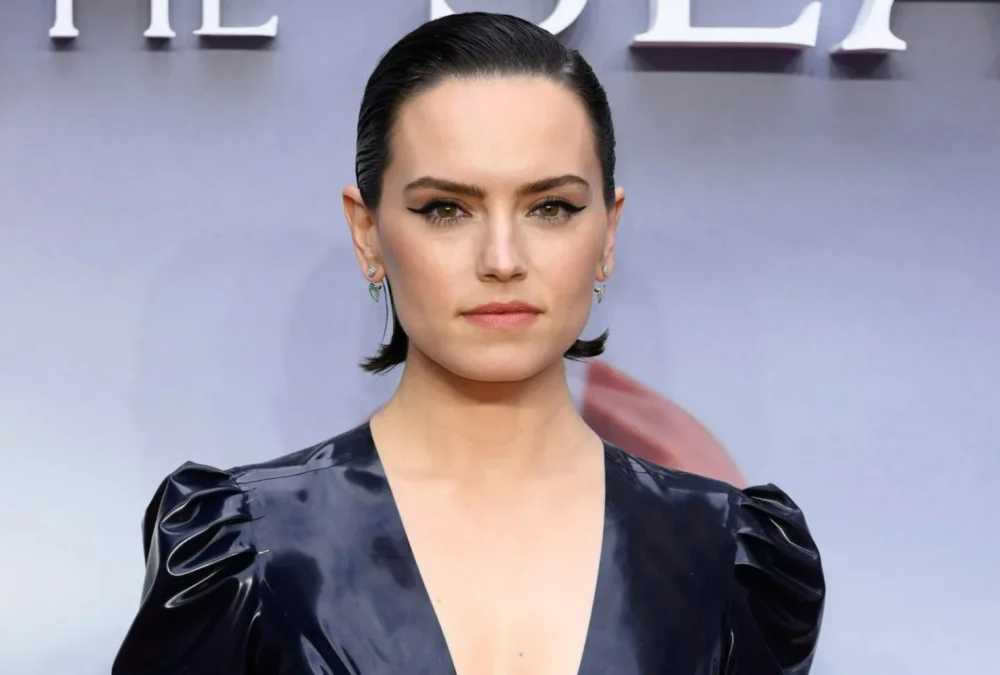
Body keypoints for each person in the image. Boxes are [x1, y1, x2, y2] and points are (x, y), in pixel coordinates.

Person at [111, 12, 824, 675]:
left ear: (608, 232)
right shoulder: (242, 549)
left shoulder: (729, 556)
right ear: (368, 234)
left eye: (551, 207)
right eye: (446, 209)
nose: (502, 259)